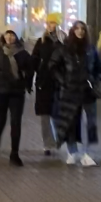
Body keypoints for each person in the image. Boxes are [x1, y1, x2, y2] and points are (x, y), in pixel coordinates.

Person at [52, 20, 101, 167]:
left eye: (83, 29)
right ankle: (72, 152)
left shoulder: (91, 49)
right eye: (77, 29)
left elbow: (100, 67)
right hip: (70, 91)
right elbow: (53, 66)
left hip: (88, 91)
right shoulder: (64, 49)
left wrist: (95, 80)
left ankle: (87, 153)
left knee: (90, 123)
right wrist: (63, 81)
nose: (80, 31)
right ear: (72, 31)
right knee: (70, 122)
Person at [0, 29, 33, 166]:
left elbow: (30, 70)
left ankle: (15, 153)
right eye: (8, 34)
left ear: (16, 37)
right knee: (0, 121)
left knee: (16, 122)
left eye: (12, 34)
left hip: (17, 92)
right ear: (3, 37)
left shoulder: (23, 53)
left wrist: (27, 82)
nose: (10, 37)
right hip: (0, 90)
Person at [31, 14, 65, 156]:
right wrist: (29, 80)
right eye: (49, 23)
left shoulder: (63, 42)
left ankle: (59, 139)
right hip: (43, 82)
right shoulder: (41, 41)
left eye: (54, 23)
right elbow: (34, 60)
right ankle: (48, 144)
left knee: (57, 113)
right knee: (45, 115)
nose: (51, 25)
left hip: (59, 83)